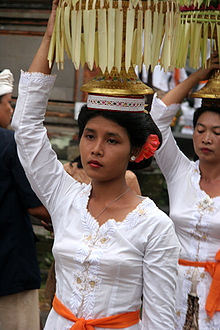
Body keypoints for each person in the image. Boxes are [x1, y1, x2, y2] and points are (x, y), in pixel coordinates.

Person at [11, 1, 180, 328]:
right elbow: (27, 129)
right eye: (90, 136)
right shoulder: (64, 198)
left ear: (136, 149)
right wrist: (50, 39)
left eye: (112, 140)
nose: (96, 149)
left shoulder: (155, 226)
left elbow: (161, 321)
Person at [150, 56, 220, 329]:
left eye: (217, 132)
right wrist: (197, 77)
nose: (206, 138)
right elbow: (156, 120)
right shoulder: (180, 171)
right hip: (171, 291)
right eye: (200, 130)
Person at [0, 68, 51, 330]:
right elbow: (35, 205)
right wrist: (57, 219)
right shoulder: (8, 143)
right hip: (9, 267)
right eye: (8, 103)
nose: (10, 110)